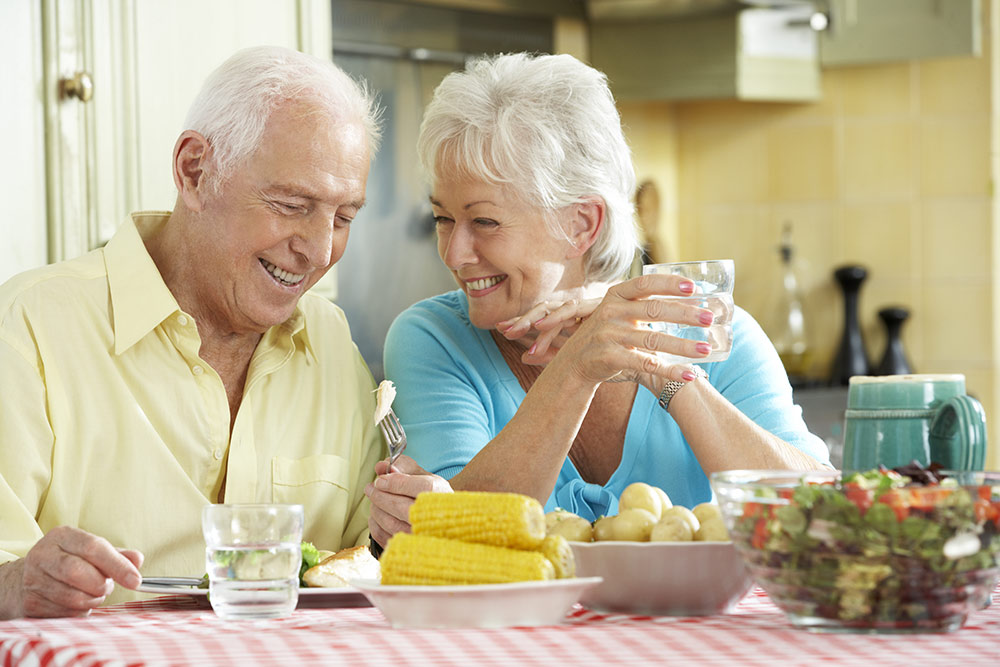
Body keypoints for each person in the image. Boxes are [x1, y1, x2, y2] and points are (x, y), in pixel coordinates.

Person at [365, 53, 830, 547]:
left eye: (484, 222)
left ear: (581, 224)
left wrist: (666, 374)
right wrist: (576, 369)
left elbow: (823, 519)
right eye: (442, 219)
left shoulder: (710, 334)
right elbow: (459, 535)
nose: (454, 253)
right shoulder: (433, 340)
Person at [0, 46, 384, 618]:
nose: (321, 250)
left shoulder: (330, 339)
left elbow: (363, 563)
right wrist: (16, 585)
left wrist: (398, 528)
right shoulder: (29, 324)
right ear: (195, 171)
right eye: (291, 205)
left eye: (345, 216)